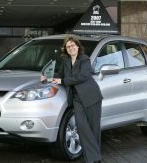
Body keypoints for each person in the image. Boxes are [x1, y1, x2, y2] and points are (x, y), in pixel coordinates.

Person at [41, 35, 103, 163]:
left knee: (93, 129)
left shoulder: (84, 59)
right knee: (82, 128)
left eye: (72, 46)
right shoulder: (65, 61)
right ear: (65, 49)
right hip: (76, 98)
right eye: (68, 46)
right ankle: (94, 158)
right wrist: (48, 77)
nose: (70, 48)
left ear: (78, 46)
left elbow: (83, 76)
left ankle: (94, 159)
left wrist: (62, 81)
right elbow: (60, 75)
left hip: (91, 97)